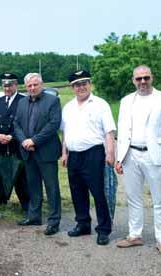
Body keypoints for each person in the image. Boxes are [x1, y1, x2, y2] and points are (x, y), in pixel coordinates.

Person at [115, 65, 161, 257]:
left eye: (146, 78)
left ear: (152, 78)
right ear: (133, 80)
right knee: (133, 198)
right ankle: (135, 235)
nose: (142, 81)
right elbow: (122, 130)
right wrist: (119, 157)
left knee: (159, 200)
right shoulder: (126, 101)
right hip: (130, 155)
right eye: (138, 78)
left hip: (154, 155)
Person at [61, 70, 115, 245]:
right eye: (77, 84)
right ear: (72, 88)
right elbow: (65, 133)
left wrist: (110, 153)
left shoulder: (100, 104)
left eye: (84, 83)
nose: (81, 87)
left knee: (99, 193)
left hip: (94, 154)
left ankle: (104, 229)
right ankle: (83, 224)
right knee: (77, 191)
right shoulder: (68, 107)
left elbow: (109, 131)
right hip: (74, 155)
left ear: (89, 84)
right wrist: (64, 153)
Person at [14, 73, 62, 236]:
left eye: (35, 85)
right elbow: (16, 124)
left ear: (41, 85)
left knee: (52, 188)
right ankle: (34, 216)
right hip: (28, 152)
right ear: (25, 87)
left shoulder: (52, 101)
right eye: (29, 86)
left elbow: (53, 125)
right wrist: (23, 141)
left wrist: (34, 141)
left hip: (46, 152)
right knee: (33, 186)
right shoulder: (21, 102)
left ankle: (54, 221)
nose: (32, 88)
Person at [0, 73, 29, 211]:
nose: (7, 88)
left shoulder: (24, 100)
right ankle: (1, 198)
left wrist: (12, 136)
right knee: (0, 172)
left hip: (16, 143)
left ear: (16, 85)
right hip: (0, 144)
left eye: (10, 85)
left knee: (20, 174)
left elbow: (24, 123)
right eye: (5, 86)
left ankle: (25, 200)